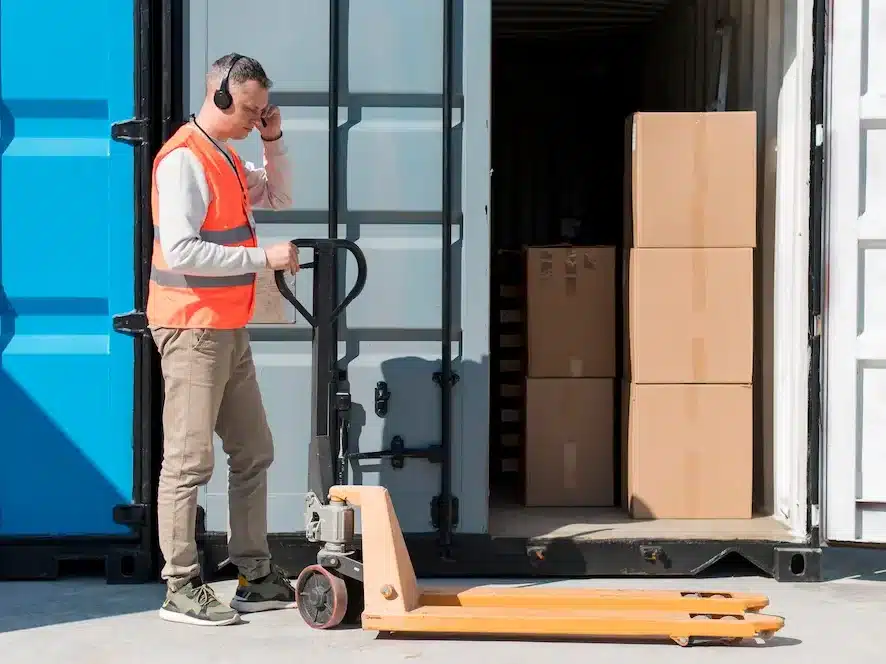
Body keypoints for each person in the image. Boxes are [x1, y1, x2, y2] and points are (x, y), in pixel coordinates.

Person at [147, 52, 300, 626]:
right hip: (191, 328)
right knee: (188, 462)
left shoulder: (227, 158)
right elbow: (183, 250)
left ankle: (253, 574)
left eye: (264, 111)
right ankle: (180, 586)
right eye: (252, 110)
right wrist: (264, 257)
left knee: (253, 451)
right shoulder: (184, 161)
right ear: (219, 98)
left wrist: (275, 139)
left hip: (227, 328)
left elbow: (279, 197)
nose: (257, 119)